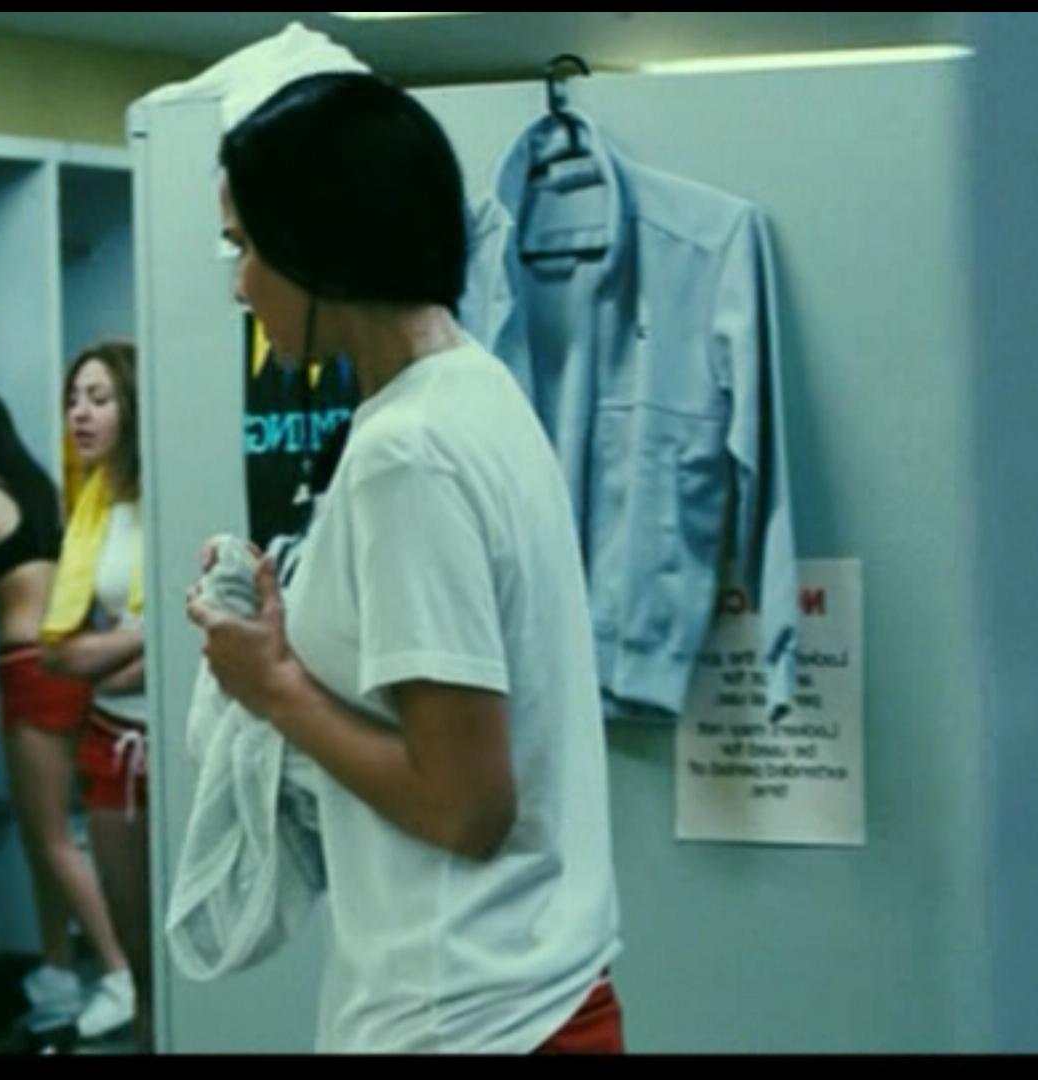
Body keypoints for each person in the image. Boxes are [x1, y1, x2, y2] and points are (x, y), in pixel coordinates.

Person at [187, 73, 624, 1054]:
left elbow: (467, 806)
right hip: (533, 994)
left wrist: (273, 687)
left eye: (246, 246)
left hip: (466, 1016)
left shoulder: (406, 453)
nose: (240, 285)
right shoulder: (476, 393)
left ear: (319, 242)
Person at [0, 383, 133, 1037]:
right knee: (49, 833)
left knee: (49, 836)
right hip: (64, 665)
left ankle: (119, 970)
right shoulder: (36, 490)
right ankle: (58, 968)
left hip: (27, 668)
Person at [40, 341, 148, 1044]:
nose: (80, 413)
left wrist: (131, 648)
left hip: (171, 733)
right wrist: (138, 641)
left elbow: (180, 632)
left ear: (132, 408)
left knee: (186, 938)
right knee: (134, 941)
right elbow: (58, 651)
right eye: (74, 399)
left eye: (99, 399)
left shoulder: (167, 493)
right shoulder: (92, 503)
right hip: (111, 733)